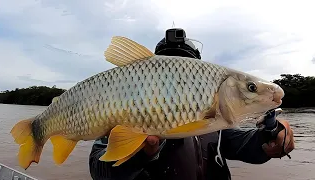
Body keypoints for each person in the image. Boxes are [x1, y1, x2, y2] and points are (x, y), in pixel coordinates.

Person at [88, 28, 295, 180]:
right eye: (167, 68)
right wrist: (140, 155)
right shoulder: (119, 110)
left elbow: (249, 147)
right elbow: (100, 171)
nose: (179, 84)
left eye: (186, 72)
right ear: (147, 73)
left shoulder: (218, 123)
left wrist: (273, 135)